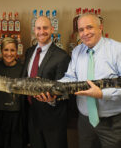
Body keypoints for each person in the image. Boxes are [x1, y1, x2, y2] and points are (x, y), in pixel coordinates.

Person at [38, 13, 121, 148]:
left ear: (100, 28)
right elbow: (70, 78)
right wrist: (51, 89)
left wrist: (102, 94)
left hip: (113, 123)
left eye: (89, 27)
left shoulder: (117, 50)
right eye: (81, 30)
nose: (85, 33)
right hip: (85, 121)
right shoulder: (77, 51)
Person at [22, 16, 70, 148]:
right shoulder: (29, 51)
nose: (41, 31)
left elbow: (64, 90)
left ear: (52, 29)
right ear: (34, 30)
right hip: (32, 115)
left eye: (45, 28)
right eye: (38, 28)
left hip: (53, 118)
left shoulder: (62, 56)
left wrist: (52, 99)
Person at [0, 37, 25, 148]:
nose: (9, 53)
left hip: (17, 115)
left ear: (17, 51)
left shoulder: (22, 69)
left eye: (12, 50)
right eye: (6, 50)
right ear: (1, 51)